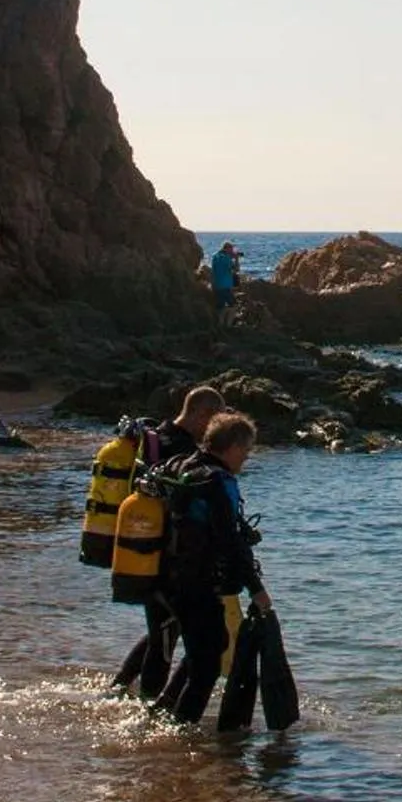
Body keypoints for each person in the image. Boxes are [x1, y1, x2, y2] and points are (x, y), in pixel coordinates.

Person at [156, 411, 271, 725]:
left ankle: (162, 714)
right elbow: (230, 540)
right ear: (232, 447)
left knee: (204, 648)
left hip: (163, 578)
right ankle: (180, 734)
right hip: (196, 583)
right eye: (246, 452)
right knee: (208, 662)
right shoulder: (216, 482)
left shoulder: (181, 465)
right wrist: (256, 588)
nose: (245, 460)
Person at [114, 385, 226, 700]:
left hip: (147, 549)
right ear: (202, 414)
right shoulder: (178, 449)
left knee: (162, 630)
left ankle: (119, 689)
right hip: (166, 558)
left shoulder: (155, 437)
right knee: (165, 634)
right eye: (213, 422)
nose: (212, 432)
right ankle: (148, 708)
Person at [207, 242, 242, 322]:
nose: (232, 251)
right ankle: (228, 325)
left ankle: (220, 325)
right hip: (225, 286)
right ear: (227, 249)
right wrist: (236, 259)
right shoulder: (226, 258)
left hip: (216, 285)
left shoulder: (215, 256)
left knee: (220, 307)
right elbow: (236, 269)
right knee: (234, 305)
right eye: (231, 249)